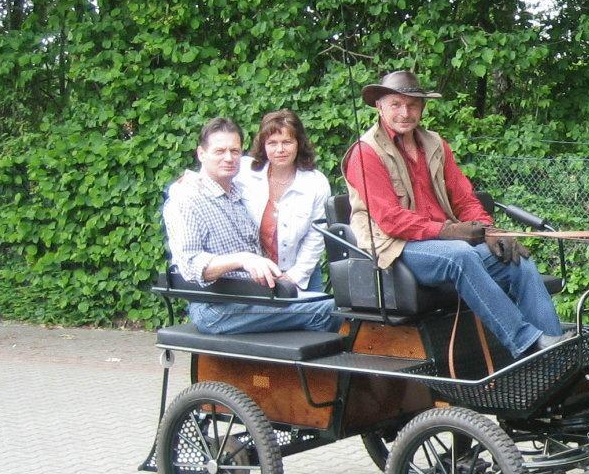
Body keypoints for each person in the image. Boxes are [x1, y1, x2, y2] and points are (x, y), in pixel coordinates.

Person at [343, 70, 565, 358]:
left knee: (516, 259)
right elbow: (391, 220)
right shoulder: (365, 153)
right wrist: (448, 231)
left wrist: (489, 230)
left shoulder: (435, 144)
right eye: (396, 104)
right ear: (379, 106)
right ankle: (527, 343)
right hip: (395, 246)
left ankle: (559, 355)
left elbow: (464, 198)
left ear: (422, 108)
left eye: (412, 105)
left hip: (444, 241)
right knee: (461, 255)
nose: (405, 112)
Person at [164, 117, 336, 335]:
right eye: (219, 151)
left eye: (235, 151)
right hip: (217, 307)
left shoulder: (236, 191)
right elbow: (189, 265)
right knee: (328, 311)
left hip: (255, 294)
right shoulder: (187, 198)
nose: (229, 158)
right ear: (201, 154)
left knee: (336, 306)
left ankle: (298, 368)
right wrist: (243, 259)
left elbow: (315, 236)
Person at [237, 109, 332, 293]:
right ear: (263, 145)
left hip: (302, 276)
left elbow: (317, 236)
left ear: (299, 143)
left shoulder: (315, 183)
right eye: (272, 143)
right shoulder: (245, 172)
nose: (280, 150)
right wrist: (190, 179)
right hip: (254, 276)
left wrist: (293, 278)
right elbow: (213, 172)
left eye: (287, 142)